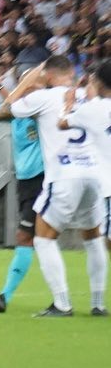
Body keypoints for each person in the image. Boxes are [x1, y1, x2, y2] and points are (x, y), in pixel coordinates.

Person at [0, 57, 106, 317]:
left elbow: (7, 106)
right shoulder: (87, 95)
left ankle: (62, 304)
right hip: (94, 175)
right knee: (92, 239)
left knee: (43, 239)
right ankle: (98, 303)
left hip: (63, 175)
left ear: (46, 75)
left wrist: (26, 79)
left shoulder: (44, 97)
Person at [0, 62, 45, 313]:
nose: (25, 89)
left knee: (27, 238)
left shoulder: (44, 109)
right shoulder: (15, 111)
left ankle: (5, 295)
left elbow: (14, 104)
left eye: (30, 84)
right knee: (42, 240)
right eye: (22, 84)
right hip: (26, 180)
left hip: (43, 179)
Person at [59, 61, 111, 266]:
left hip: (108, 185)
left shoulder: (91, 109)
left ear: (98, 82)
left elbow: (62, 123)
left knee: (107, 240)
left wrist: (68, 104)